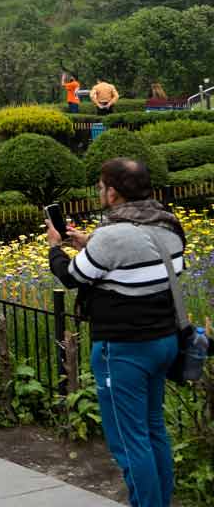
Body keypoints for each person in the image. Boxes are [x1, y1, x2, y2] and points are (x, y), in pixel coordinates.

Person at [47, 159, 184, 507]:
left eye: (101, 187)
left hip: (124, 350)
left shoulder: (112, 235)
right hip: (164, 341)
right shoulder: (168, 224)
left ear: (112, 192)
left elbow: (72, 277)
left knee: (130, 441)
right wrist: (89, 243)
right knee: (153, 431)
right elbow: (138, 261)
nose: (99, 193)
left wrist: (55, 248)